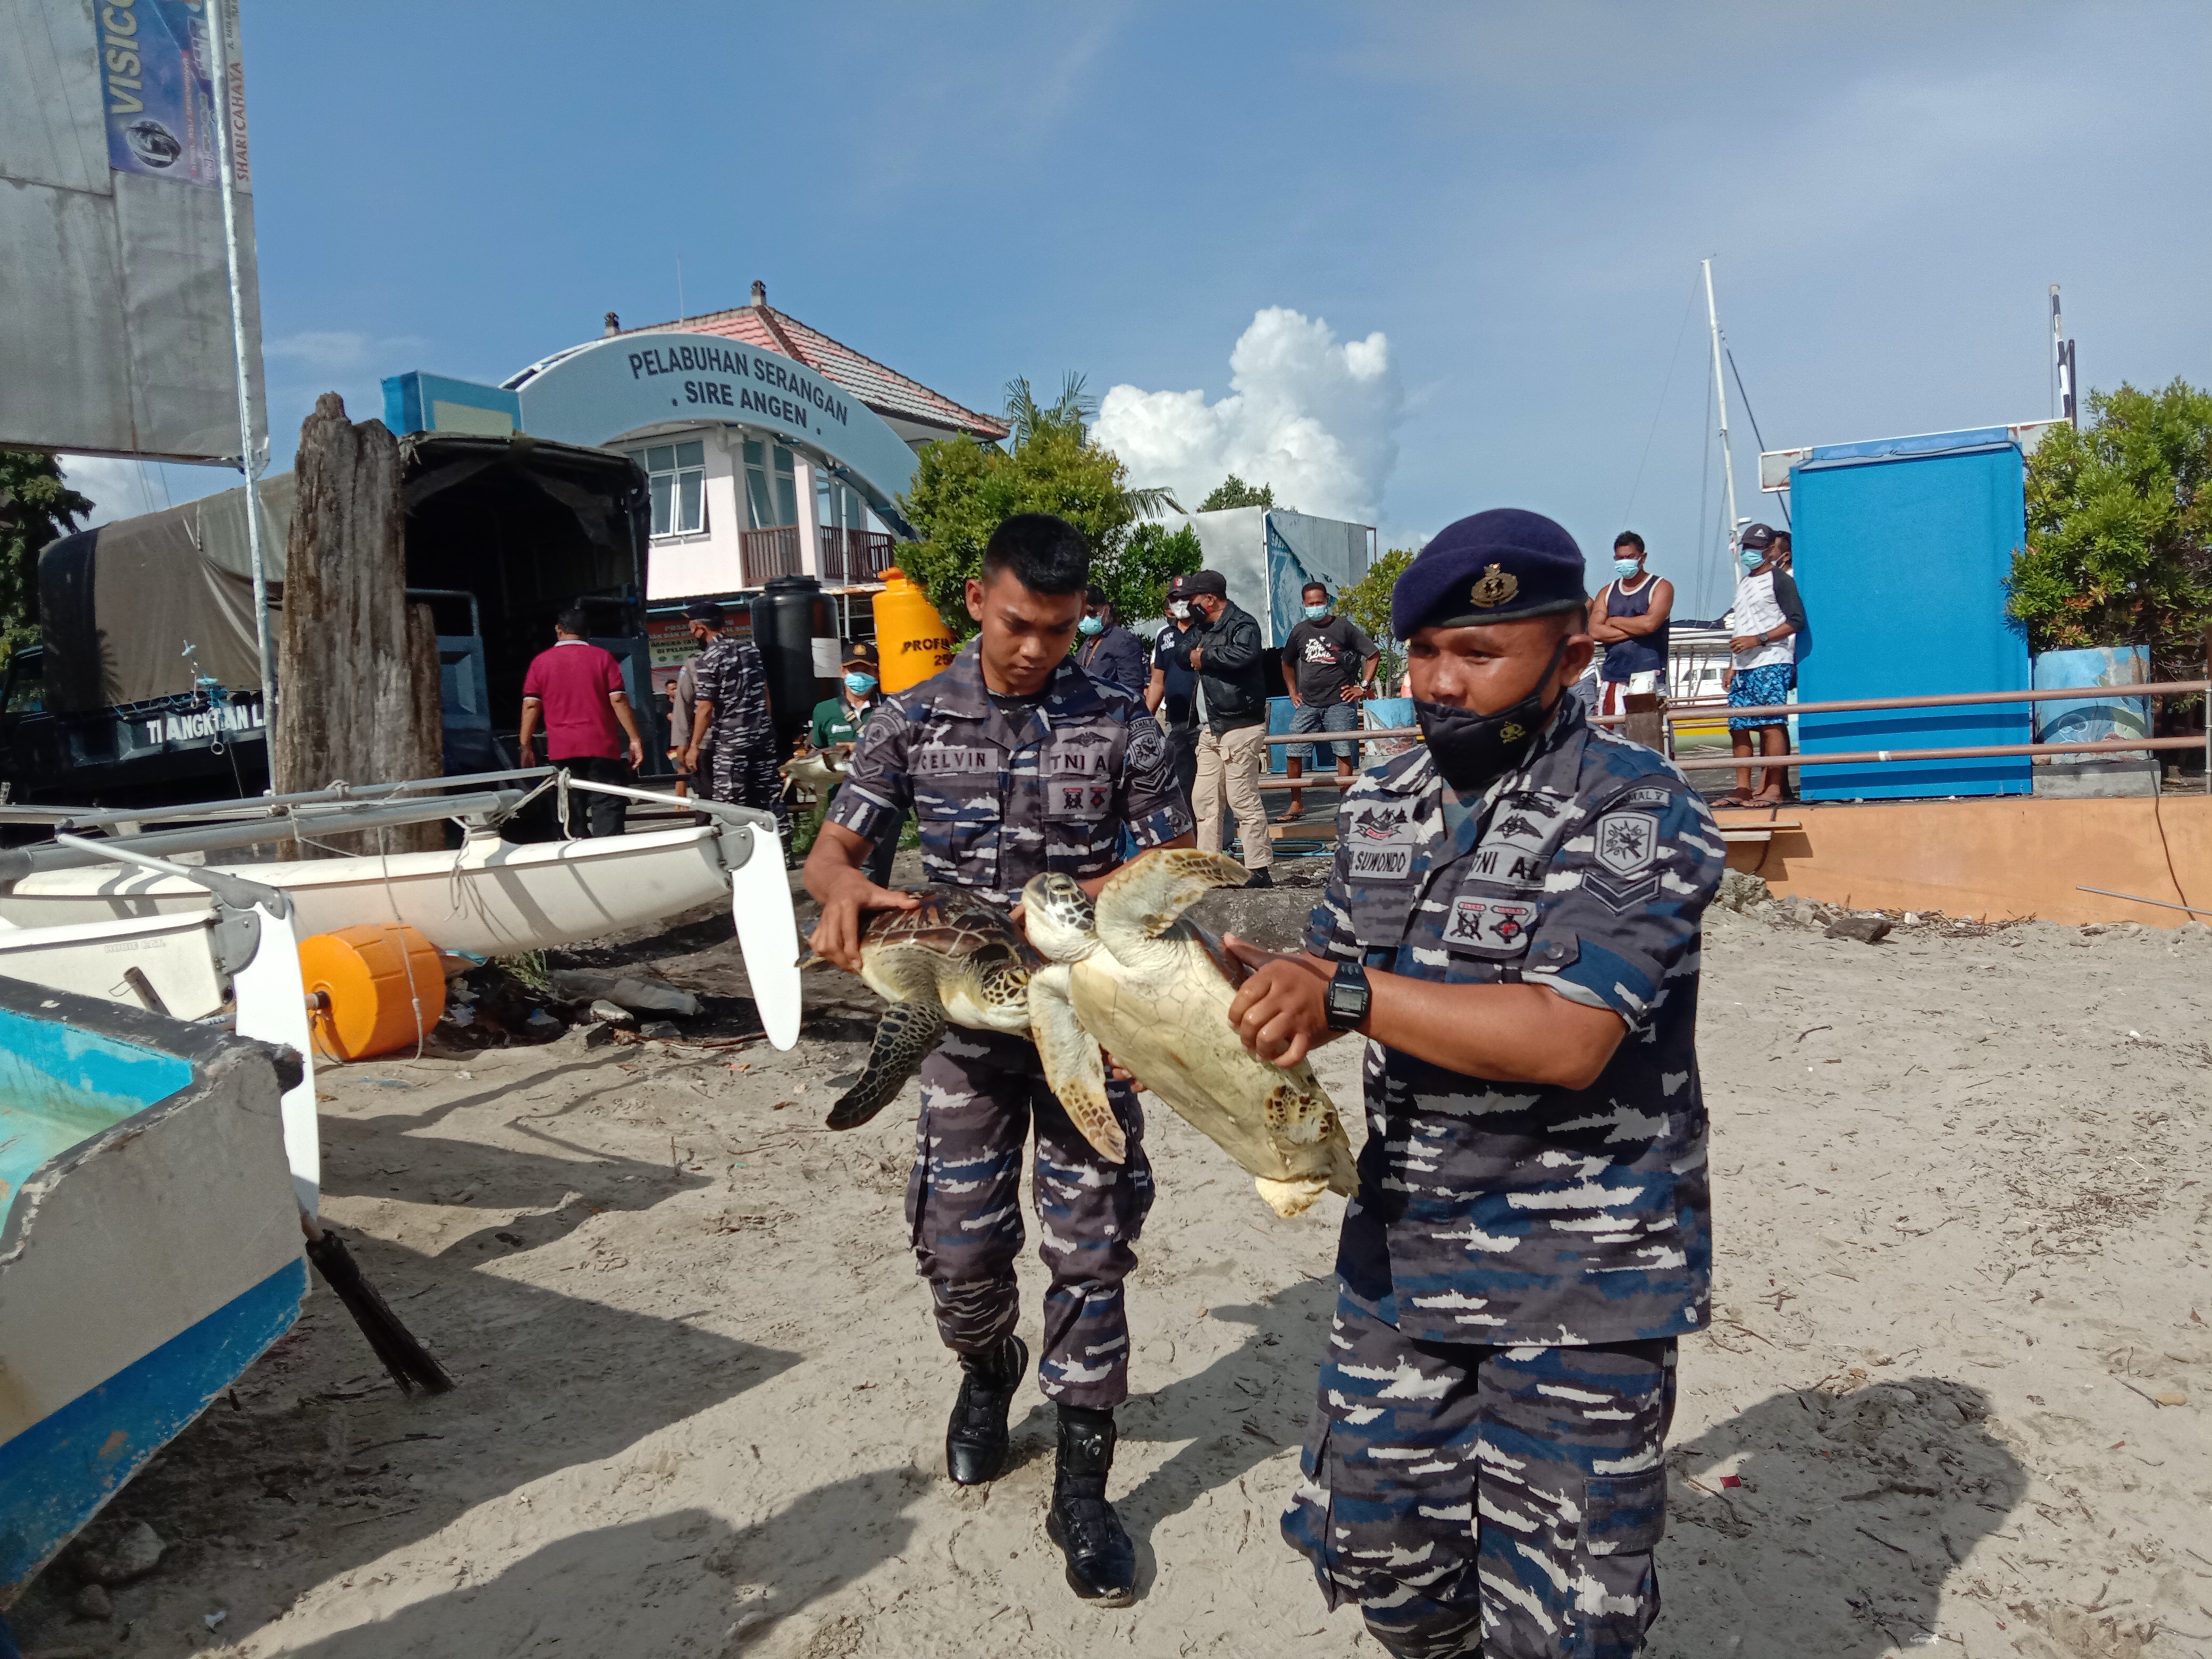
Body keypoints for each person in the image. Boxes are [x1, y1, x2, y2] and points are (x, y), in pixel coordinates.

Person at [1221, 508, 1724, 1659]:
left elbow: (1567, 1037)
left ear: (1572, 656)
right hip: (1401, 1261)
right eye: (1424, 651)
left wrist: (1345, 997)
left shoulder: (1636, 807)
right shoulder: (1381, 802)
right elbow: (1319, 973)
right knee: (1383, 1561)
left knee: (1559, 1620)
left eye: (1480, 653)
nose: (1441, 683)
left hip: (1579, 1285)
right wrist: (1180, 1015)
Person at [804, 513, 1194, 1608]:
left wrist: (1086, 911)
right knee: (959, 1249)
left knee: (1090, 1251)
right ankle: (988, 1368)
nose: (1034, 649)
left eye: (1058, 631)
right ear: (977, 600)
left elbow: (1171, 863)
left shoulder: (1119, 724)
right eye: (1018, 623)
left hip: (1084, 1023)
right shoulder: (909, 721)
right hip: (963, 1032)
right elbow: (835, 851)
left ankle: (1082, 1486)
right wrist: (839, 890)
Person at [1159, 569, 1275, 888]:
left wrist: (1204, 656)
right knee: (1204, 799)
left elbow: (1243, 655)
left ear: (1209, 599)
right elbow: (1182, 654)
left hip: (1240, 724)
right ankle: (1209, 868)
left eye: (1193, 599)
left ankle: (1259, 868)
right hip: (1210, 727)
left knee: (1242, 798)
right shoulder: (1201, 628)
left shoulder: (1243, 624)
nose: (1188, 606)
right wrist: (1197, 654)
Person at [517, 606, 647, 839]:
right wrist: (635, 739)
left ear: (558, 630)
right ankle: (607, 851)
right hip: (602, 746)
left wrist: (525, 746)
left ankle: (577, 848)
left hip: (562, 749)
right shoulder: (603, 658)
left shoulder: (541, 662)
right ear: (588, 632)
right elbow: (618, 699)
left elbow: (531, 705)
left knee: (570, 808)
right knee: (608, 802)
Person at [682, 600, 790, 852]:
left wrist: (694, 746)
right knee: (769, 795)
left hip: (731, 739)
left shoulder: (708, 659)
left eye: (690, 626)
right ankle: (782, 850)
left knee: (730, 800)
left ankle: (740, 854)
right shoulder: (750, 651)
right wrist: (764, 725)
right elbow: (765, 693)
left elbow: (705, 707)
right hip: (762, 734)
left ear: (699, 628)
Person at [1720, 523, 1806, 806]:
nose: (1750, 553)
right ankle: (1742, 787)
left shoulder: (1780, 580)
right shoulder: (1745, 583)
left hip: (1772, 661)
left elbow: (1796, 621)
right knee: (1738, 725)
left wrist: (1760, 639)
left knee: (1771, 723)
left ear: (1770, 550)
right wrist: (1732, 665)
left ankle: (1775, 787)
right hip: (1743, 665)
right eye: (1746, 547)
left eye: (1756, 548)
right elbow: (1741, 627)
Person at [1280, 580, 1378, 819]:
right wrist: (1293, 692)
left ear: (1327, 601)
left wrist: (1362, 687)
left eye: (1319, 602)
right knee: (1293, 749)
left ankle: (1345, 805)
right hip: (1308, 703)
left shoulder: (1343, 627)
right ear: (1304, 604)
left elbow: (1373, 654)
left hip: (1339, 701)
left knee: (1343, 751)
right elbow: (1286, 662)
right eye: (1310, 604)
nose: (1315, 607)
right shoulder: (1299, 631)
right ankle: (1296, 804)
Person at [807, 639, 898, 886]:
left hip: (887, 803)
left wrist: (861, 748)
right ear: (842, 672)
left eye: (866, 670)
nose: (859, 676)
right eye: (853, 670)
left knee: (880, 874)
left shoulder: (893, 708)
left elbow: (905, 751)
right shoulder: (825, 711)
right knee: (860, 872)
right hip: (844, 803)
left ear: (876, 673)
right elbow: (817, 750)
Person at [1586, 530, 1674, 719]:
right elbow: (1595, 631)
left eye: (1630, 557)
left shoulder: (1660, 587)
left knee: (1650, 730)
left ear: (1643, 558)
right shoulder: (1607, 592)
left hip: (1649, 675)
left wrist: (1613, 621)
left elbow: (1650, 624)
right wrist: (1638, 627)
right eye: (1620, 558)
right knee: (1611, 731)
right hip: (1613, 676)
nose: (1625, 562)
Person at [1145, 574, 1203, 811]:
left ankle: (1221, 835)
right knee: (1180, 785)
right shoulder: (1164, 636)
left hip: (1204, 722)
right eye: (1175, 598)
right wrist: (1144, 718)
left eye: (1184, 597)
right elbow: (1157, 682)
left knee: (1210, 787)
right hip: (1175, 722)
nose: (1180, 603)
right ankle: (1189, 832)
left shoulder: (1207, 629)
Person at [1074, 585, 1148, 694]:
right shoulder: (1085, 646)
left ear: (1106, 610)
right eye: (1081, 614)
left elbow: (1132, 690)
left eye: (1092, 613)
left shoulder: (1123, 641)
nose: (1086, 618)